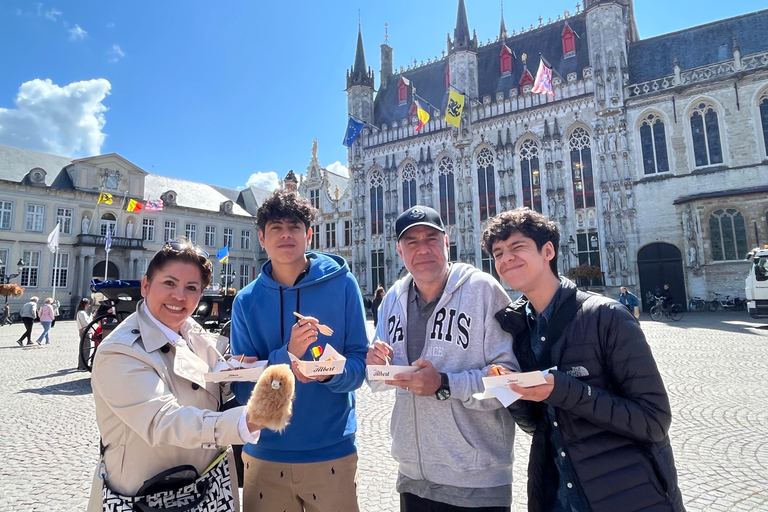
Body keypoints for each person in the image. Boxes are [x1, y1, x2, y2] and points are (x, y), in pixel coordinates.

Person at [483, 208, 684, 512]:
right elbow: (542, 425)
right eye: (498, 253)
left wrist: (562, 389)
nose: (505, 258)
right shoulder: (520, 329)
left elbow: (654, 421)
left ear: (547, 250)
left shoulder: (607, 316)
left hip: (626, 497)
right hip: (557, 498)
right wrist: (510, 392)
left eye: (517, 247)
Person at [87, 239, 263, 512]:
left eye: (191, 288)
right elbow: (163, 420)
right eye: (169, 283)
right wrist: (244, 422)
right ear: (146, 285)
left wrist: (228, 372)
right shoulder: (120, 352)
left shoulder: (190, 330)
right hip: (148, 496)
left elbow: (197, 378)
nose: (180, 296)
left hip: (207, 487)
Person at [366, 205, 519, 512]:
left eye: (430, 239)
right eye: (412, 242)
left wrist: (446, 383)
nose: (422, 249)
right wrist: (374, 367)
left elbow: (512, 382)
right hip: (413, 477)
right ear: (399, 251)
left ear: (446, 243)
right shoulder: (391, 300)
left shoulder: (483, 290)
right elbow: (377, 382)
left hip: (477, 482)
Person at [230, 190, 368, 512]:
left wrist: (327, 374)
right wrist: (287, 356)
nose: (286, 234)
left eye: (294, 227)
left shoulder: (344, 285)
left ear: (309, 234)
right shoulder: (245, 301)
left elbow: (359, 365)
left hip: (332, 450)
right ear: (262, 238)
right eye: (276, 228)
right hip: (265, 452)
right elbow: (240, 388)